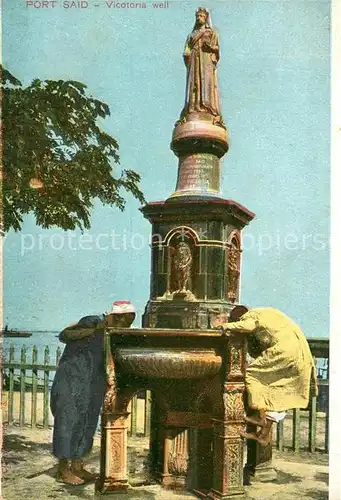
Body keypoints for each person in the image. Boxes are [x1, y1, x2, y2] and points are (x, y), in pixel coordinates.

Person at [50, 300, 136, 485]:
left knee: (87, 423)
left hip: (91, 382)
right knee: (68, 422)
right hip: (71, 379)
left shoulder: (111, 332)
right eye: (123, 322)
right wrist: (96, 330)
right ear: (115, 316)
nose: (125, 326)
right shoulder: (92, 321)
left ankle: (78, 465)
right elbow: (65, 335)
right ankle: (63, 469)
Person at [213, 306, 318, 446]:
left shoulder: (251, 316)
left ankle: (259, 415)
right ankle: (263, 435)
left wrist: (224, 326)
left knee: (252, 375)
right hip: (300, 351)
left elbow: (247, 326)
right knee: (278, 388)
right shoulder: (268, 312)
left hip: (284, 351)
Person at [178, 7, 224, 125]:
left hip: (206, 61)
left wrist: (210, 48)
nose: (199, 18)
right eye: (197, 16)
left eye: (201, 16)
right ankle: (193, 107)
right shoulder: (191, 35)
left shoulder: (211, 33)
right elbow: (186, 49)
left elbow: (217, 49)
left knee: (206, 83)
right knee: (194, 84)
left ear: (206, 18)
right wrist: (186, 53)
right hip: (194, 61)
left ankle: (207, 107)